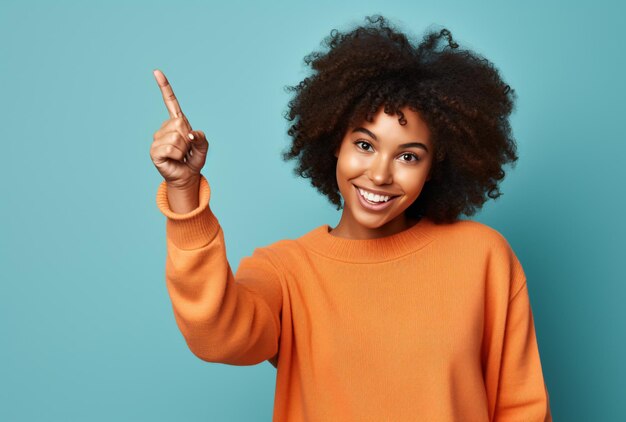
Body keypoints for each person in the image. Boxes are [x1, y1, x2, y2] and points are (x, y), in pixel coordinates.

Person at [150, 14, 552, 421]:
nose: (379, 174)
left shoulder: (482, 257)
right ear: (334, 143)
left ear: (434, 167)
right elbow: (218, 338)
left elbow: (522, 408)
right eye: (364, 144)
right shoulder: (287, 271)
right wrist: (184, 191)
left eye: (408, 155)